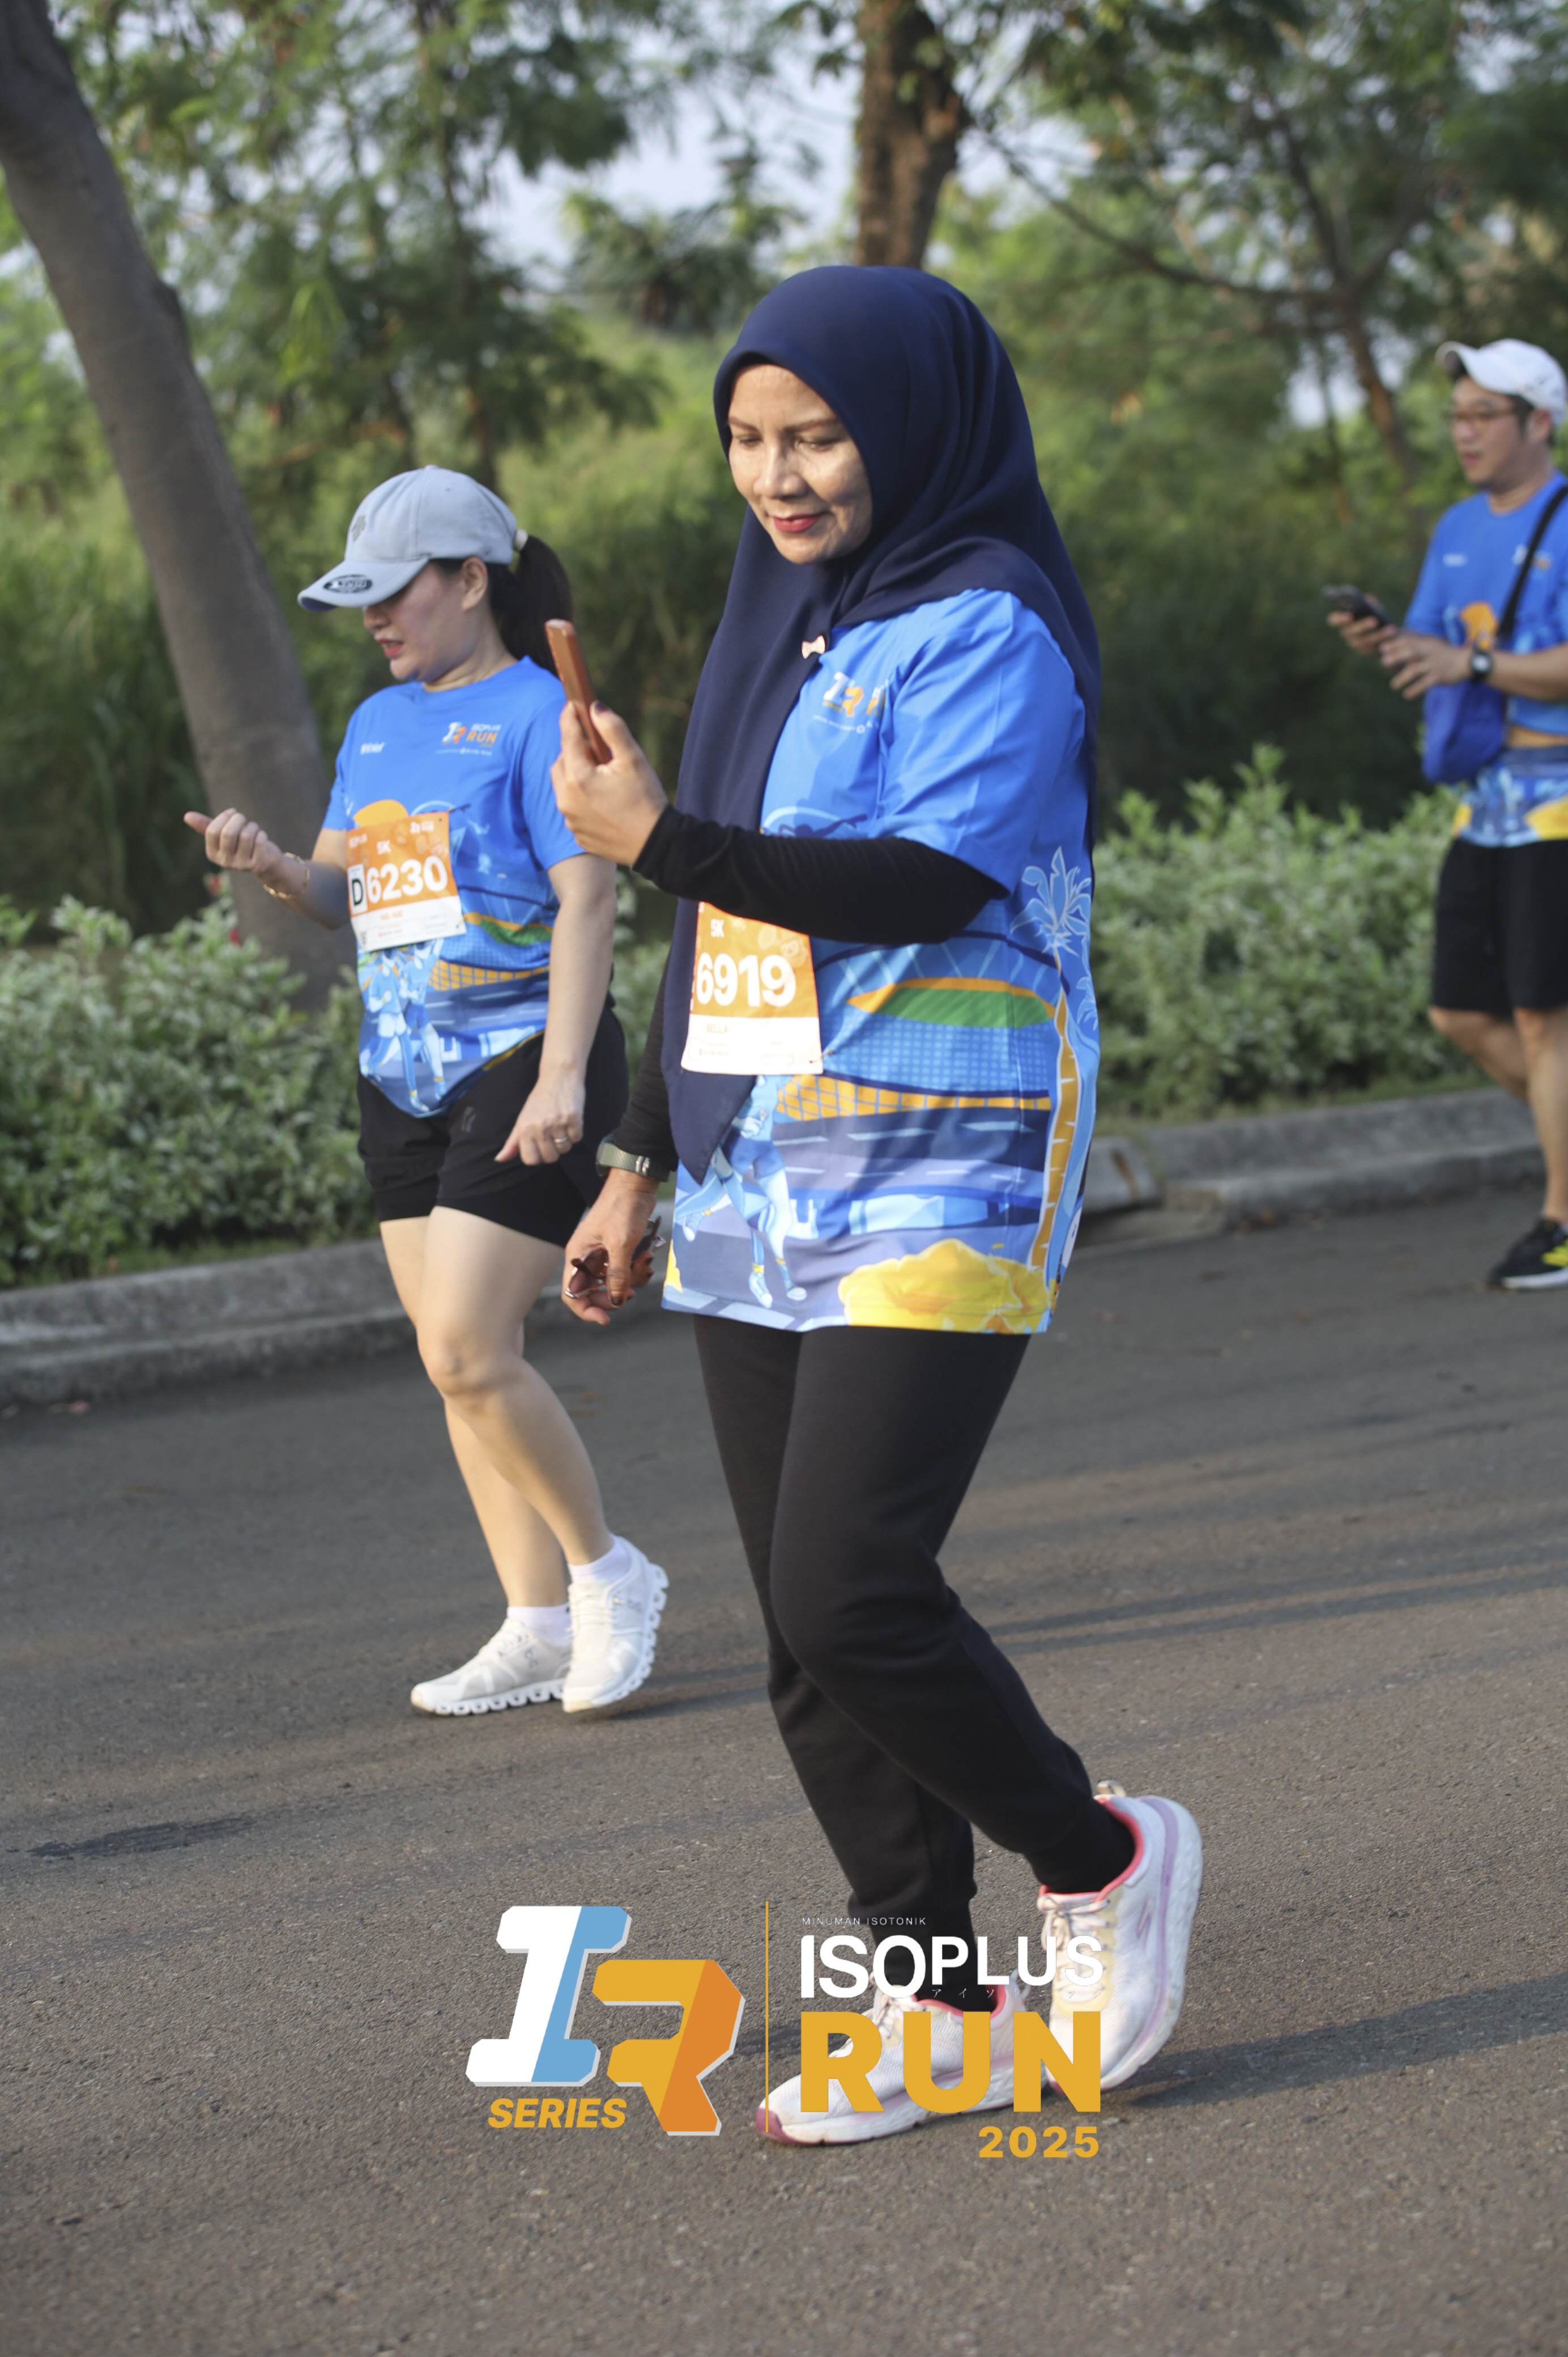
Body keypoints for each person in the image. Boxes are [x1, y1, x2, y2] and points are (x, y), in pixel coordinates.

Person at [551, 267, 1204, 2144]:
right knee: (800, 1626)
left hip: (944, 1159)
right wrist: (641, 1157)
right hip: (759, 1165)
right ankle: (933, 1997)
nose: (779, 475)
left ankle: (1097, 1855)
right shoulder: (781, 617)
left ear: (910, 426)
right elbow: (725, 920)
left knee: (851, 1583)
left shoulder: (989, 621)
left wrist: (657, 838)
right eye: (747, 439)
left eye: (818, 435)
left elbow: (926, 874)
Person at [183, 466, 665, 1718]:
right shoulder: (377, 724)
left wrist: (563, 1077)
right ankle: (534, 1626)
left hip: (522, 1063)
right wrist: (268, 863)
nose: (376, 619)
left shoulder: (543, 715)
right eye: (362, 599)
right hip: (399, 1073)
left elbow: (588, 900)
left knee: (464, 1344)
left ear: (470, 579)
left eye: (395, 593)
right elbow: (342, 893)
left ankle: (610, 1575)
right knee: (461, 1366)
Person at [1331, 338, 1568, 1291]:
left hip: (1558, 798)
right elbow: (1433, 651)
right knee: (1461, 1009)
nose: (1464, 433)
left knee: (1543, 1017)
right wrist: (1389, 641)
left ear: (1539, 422)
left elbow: (1492, 663)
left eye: (1484, 415)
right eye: (1458, 416)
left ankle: (1561, 1223)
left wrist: (1471, 663)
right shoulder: (1458, 527)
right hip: (1485, 803)